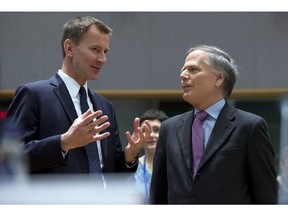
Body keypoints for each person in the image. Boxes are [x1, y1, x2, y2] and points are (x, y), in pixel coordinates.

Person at [5, 16, 151, 179]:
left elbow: (112, 173)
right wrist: (63, 143)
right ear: (69, 48)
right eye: (95, 49)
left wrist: (129, 156)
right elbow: (9, 158)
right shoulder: (33, 94)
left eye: (105, 51)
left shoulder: (105, 106)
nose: (102, 59)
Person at [149, 45, 277, 204]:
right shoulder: (169, 128)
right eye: (183, 70)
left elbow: (266, 196)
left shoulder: (250, 127)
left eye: (193, 70)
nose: (183, 75)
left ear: (218, 78)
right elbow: (158, 194)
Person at [134, 109, 168, 204]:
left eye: (157, 130)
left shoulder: (174, 165)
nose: (151, 135)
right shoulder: (131, 168)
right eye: (145, 131)